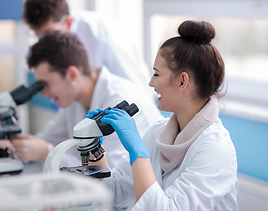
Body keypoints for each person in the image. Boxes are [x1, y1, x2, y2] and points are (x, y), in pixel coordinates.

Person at [87, 20, 238, 210]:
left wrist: (138, 154)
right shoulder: (159, 131)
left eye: (157, 74)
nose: (151, 83)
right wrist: (94, 147)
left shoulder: (215, 149)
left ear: (182, 82)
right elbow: (113, 193)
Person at [10, 31, 163, 168]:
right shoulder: (73, 100)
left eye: (46, 84)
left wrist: (47, 152)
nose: (43, 93)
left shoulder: (117, 100)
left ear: (72, 74)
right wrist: (12, 147)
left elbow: (107, 173)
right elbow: (45, 140)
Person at [23, 0, 152, 94]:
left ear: (68, 22)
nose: (42, 41)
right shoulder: (58, 43)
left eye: (48, 34)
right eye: (36, 34)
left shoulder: (101, 32)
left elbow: (134, 88)